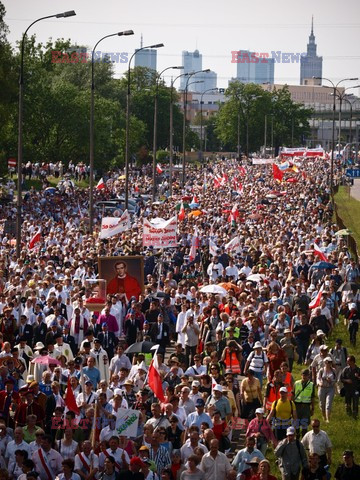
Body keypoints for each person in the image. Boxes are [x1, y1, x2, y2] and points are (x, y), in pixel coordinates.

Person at [293, 369, 315, 437]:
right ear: (301, 375)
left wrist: (312, 408)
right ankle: (297, 437)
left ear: (309, 376)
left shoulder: (311, 385)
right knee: (296, 423)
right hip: (297, 405)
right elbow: (293, 394)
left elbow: (312, 397)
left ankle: (304, 439)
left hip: (306, 406)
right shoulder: (296, 383)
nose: (304, 377)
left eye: (306, 375)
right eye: (303, 375)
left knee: (304, 424)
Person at [316, 357, 336, 422]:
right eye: (327, 362)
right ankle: (323, 416)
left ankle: (328, 419)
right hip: (322, 388)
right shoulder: (321, 370)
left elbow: (336, 379)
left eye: (330, 362)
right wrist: (319, 383)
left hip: (330, 388)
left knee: (328, 403)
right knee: (322, 404)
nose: (328, 364)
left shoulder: (333, 370)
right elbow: (318, 378)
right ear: (324, 363)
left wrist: (331, 381)